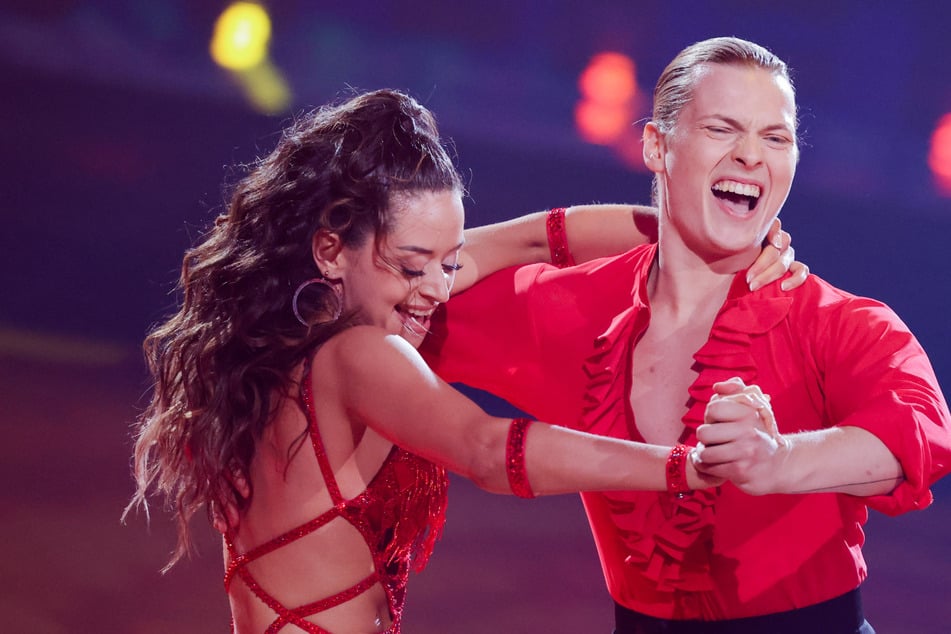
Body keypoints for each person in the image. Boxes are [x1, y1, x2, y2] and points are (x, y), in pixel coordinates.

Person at [124, 88, 803, 634]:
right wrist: (686, 466)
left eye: (449, 263)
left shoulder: (291, 333)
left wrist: (704, 236)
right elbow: (485, 449)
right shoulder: (361, 354)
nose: (438, 289)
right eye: (413, 266)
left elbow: (537, 239)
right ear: (331, 251)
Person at [422, 37, 951, 633]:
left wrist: (778, 462)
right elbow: (406, 292)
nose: (752, 155)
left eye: (775, 137)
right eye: (723, 129)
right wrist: (539, 237)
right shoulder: (571, 308)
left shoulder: (838, 321)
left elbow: (920, 435)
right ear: (656, 144)